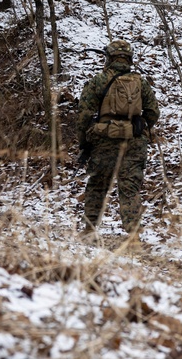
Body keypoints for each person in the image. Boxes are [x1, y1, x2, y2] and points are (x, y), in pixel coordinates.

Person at [76, 39, 160, 240]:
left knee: (97, 184)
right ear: (129, 59)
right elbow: (153, 113)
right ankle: (133, 235)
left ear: (109, 58)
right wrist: (140, 125)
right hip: (134, 141)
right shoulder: (141, 82)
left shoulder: (98, 80)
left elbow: (84, 114)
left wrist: (84, 142)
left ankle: (89, 230)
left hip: (104, 140)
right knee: (130, 187)